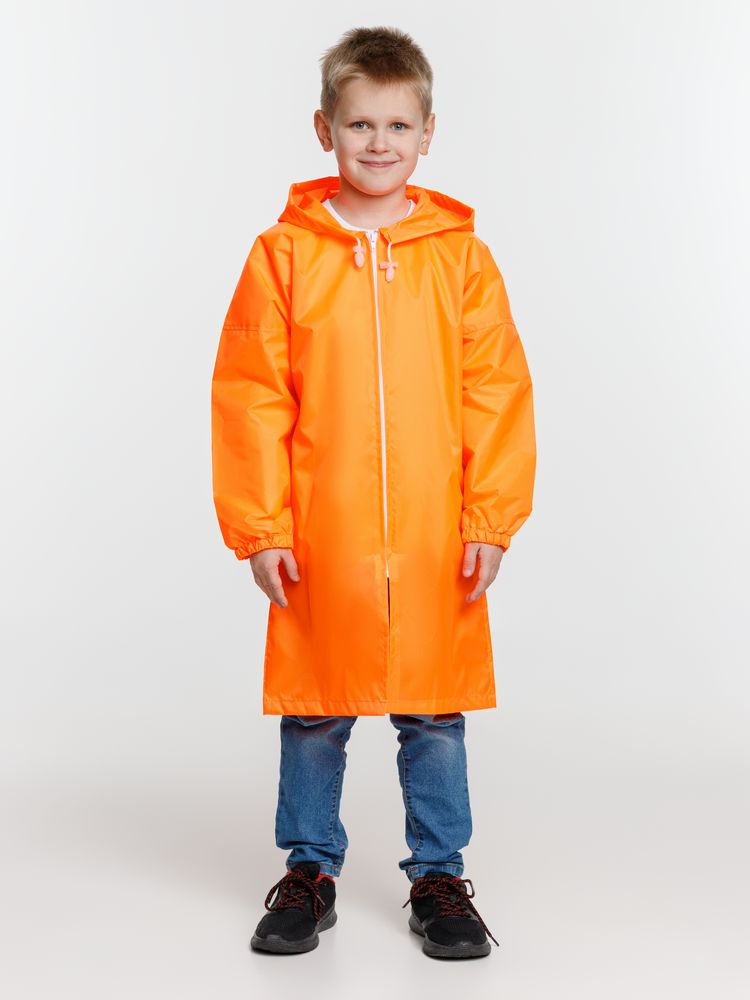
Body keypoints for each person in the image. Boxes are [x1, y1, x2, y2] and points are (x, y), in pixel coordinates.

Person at [211, 26, 536, 960]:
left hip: (434, 534)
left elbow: (496, 391)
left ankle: (439, 876)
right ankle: (309, 871)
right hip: (327, 532)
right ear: (325, 129)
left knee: (433, 713)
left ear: (429, 132)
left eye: (398, 124)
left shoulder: (460, 260)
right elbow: (252, 394)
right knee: (317, 710)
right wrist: (262, 527)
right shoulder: (284, 255)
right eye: (360, 124)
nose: (379, 142)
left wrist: (489, 517)